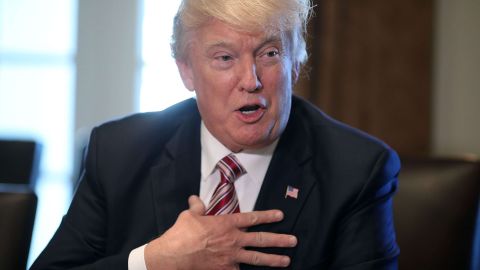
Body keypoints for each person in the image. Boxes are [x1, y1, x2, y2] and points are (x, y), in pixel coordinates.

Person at [31, 0, 400, 269]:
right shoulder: (119, 151)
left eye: (269, 53)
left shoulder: (357, 170)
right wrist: (153, 261)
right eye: (224, 58)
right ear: (187, 71)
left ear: (296, 62)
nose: (250, 81)